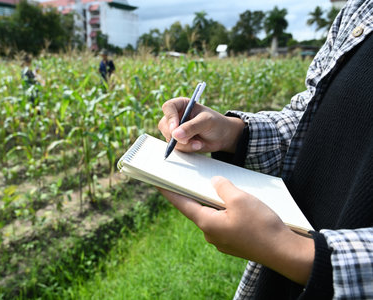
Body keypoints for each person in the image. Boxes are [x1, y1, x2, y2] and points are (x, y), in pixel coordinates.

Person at [157, 0, 372, 299]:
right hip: (282, 277)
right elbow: (312, 118)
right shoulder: (360, 8)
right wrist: (232, 132)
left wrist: (292, 252)